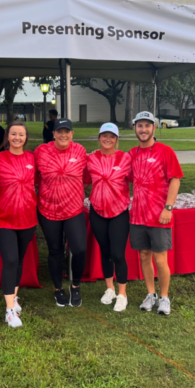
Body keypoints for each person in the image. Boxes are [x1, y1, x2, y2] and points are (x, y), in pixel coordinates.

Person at [129, 111, 183, 316]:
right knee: (144, 255)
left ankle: (164, 297)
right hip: (138, 214)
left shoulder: (165, 151)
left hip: (159, 214)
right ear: (134, 128)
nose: (143, 129)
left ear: (154, 128)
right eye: (139, 125)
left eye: (147, 125)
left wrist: (168, 207)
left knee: (161, 259)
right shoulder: (132, 154)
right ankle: (150, 294)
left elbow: (175, 179)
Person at [35, 118, 89, 307]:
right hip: (48, 209)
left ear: (72, 134)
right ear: (54, 133)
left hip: (73, 208)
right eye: (60, 131)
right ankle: (58, 289)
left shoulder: (80, 151)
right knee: (55, 250)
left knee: (80, 249)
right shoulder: (41, 152)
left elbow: (88, 176)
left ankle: (75, 286)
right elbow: (33, 178)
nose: (63, 135)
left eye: (67, 131)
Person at [0, 121, 37, 328]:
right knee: (10, 260)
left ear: (25, 138)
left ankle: (14, 297)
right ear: (7, 137)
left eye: (21, 134)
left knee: (19, 260)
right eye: (13, 134)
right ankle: (9, 310)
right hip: (3, 218)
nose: (17, 137)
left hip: (27, 218)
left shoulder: (32, 158)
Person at [86, 123, 132, 312]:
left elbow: (138, 179)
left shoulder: (125, 158)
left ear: (116, 139)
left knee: (118, 254)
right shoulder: (90, 158)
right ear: (99, 138)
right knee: (105, 252)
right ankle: (109, 289)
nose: (108, 139)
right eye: (104, 135)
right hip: (97, 210)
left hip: (119, 211)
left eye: (111, 136)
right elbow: (83, 180)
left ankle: (122, 294)